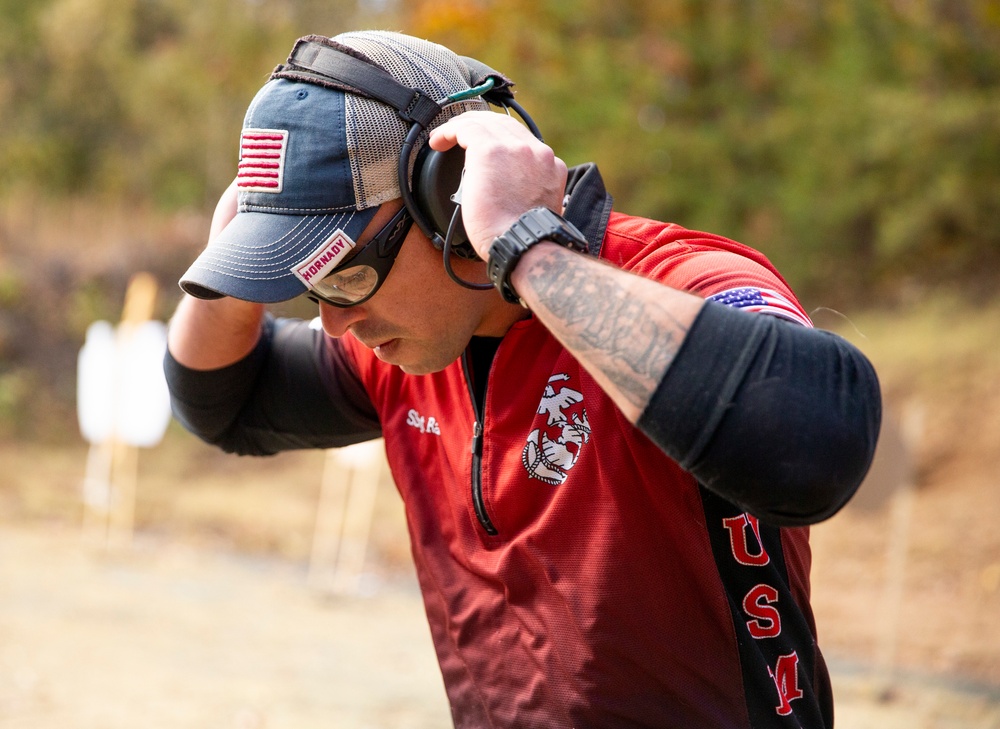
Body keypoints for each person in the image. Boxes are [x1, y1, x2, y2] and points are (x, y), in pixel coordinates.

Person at [164, 30, 881, 728]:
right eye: (307, 285)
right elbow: (223, 401)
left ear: (445, 202)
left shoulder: (677, 280)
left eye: (346, 273)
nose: (334, 323)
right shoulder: (408, 346)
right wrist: (242, 257)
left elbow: (820, 441)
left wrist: (526, 248)